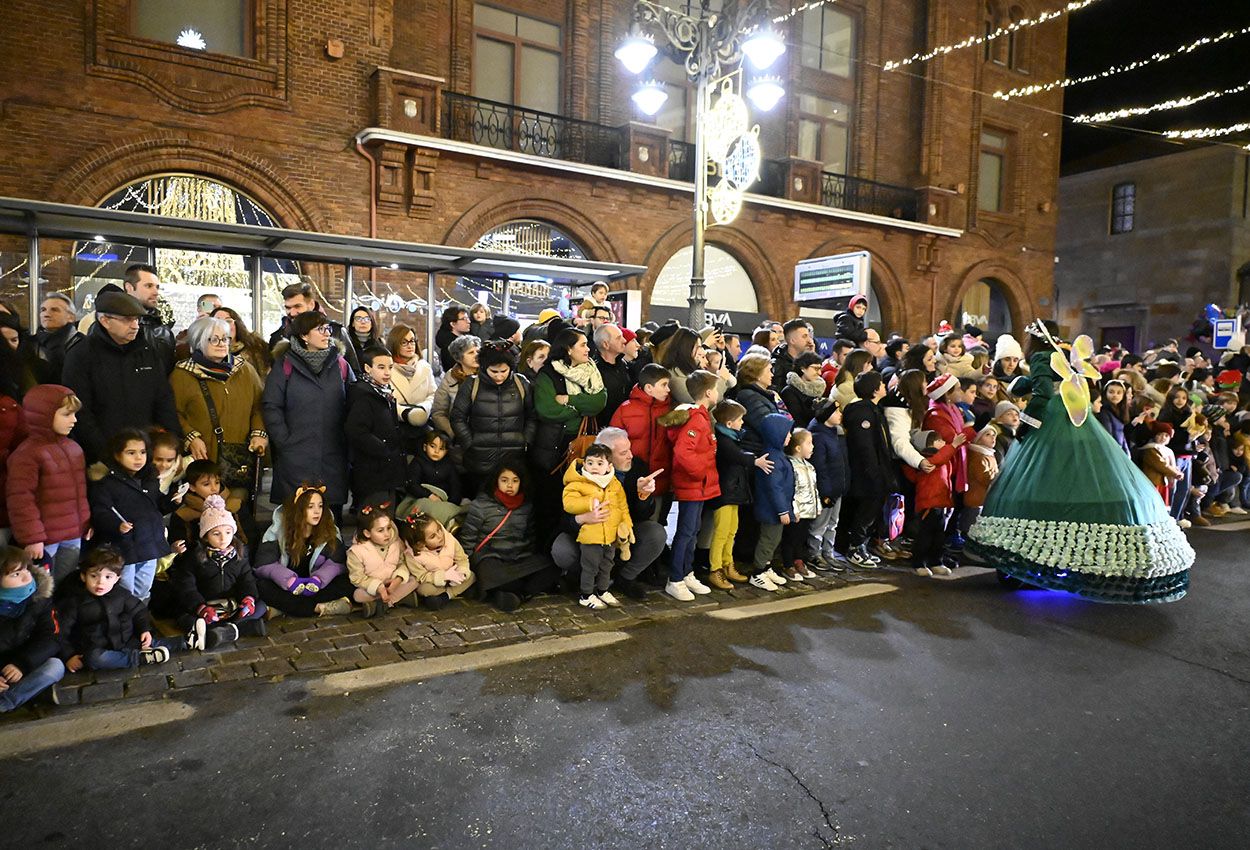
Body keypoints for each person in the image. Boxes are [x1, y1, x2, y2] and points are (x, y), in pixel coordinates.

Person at [966, 325, 1194, 602]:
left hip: (1051, 419)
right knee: (1081, 475)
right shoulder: (1063, 356)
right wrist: (1020, 384)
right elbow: (1047, 384)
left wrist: (1026, 425)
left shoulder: (1040, 358)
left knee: (1044, 477)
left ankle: (1034, 562)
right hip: (1075, 418)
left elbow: (1042, 393)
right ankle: (1078, 559)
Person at [61, 290, 182, 463]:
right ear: (105, 321)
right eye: (127, 320)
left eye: (137, 319)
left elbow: (164, 399)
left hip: (144, 453)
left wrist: (174, 442)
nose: (135, 325)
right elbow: (81, 411)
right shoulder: (81, 355)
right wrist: (105, 452)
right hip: (102, 455)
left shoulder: (147, 352)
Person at [263, 312, 352, 517]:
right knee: (296, 520)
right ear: (304, 335)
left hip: (333, 455)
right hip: (295, 456)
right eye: (320, 329)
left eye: (328, 329)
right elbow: (271, 405)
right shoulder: (284, 365)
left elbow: (354, 403)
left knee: (330, 521)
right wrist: (284, 440)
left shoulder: (341, 365)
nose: (327, 334)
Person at [171, 316, 267, 504]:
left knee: (238, 510)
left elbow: (260, 406)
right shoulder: (182, 375)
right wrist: (190, 436)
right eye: (214, 339)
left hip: (239, 458)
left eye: (225, 338)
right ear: (198, 341)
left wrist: (259, 433)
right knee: (203, 513)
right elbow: (173, 413)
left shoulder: (245, 370)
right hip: (203, 461)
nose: (221, 344)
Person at [4, 385, 90, 582]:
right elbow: (20, 499)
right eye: (67, 414)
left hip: (73, 534)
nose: (74, 420)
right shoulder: (27, 454)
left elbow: (80, 492)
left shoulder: (74, 448)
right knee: (42, 588)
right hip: (44, 540)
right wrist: (32, 537)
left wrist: (86, 522)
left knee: (66, 583)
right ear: (43, 415)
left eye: (74, 414)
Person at [58, 546, 187, 671]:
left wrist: (144, 629)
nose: (100, 582)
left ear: (116, 579)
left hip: (126, 640)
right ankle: (140, 658)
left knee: (149, 642)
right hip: (98, 649)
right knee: (94, 658)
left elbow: (139, 610)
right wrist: (69, 655)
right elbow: (62, 632)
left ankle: (185, 642)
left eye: (108, 577)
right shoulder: (74, 601)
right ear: (83, 576)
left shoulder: (121, 594)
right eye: (94, 576)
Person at [88, 428, 180, 602]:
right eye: (131, 453)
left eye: (143, 452)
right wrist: (116, 525)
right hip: (124, 547)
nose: (138, 458)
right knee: (124, 591)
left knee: (144, 590)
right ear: (116, 455)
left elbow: (157, 506)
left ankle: (139, 624)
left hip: (148, 545)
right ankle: (124, 626)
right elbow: (100, 511)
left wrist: (172, 501)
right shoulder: (106, 483)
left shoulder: (149, 479)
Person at [457, 461, 561, 612]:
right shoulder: (481, 505)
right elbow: (468, 539)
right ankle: (521, 590)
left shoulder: (526, 505)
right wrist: (466, 568)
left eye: (515, 481)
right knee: (490, 574)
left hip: (519, 557)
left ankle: (517, 595)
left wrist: (528, 558)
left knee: (551, 567)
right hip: (490, 557)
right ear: (496, 481)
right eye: (504, 480)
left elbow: (530, 536)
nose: (510, 485)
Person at [170, 495, 267, 651]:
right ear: (206, 536)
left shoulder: (239, 556)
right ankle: (235, 630)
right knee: (183, 617)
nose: (223, 538)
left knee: (261, 606)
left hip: (230, 605)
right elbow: (187, 587)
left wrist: (248, 599)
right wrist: (200, 607)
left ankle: (226, 631)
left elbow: (246, 580)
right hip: (205, 607)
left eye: (228, 532)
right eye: (216, 534)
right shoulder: (194, 557)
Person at [662, 370, 720, 601]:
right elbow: (683, 452)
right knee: (685, 532)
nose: (718, 393)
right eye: (716, 389)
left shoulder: (702, 416)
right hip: (693, 485)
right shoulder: (697, 419)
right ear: (708, 392)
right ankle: (675, 578)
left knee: (693, 530)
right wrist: (700, 473)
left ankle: (686, 572)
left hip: (700, 485)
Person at [253, 483, 353, 617]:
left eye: (320, 506)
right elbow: (264, 564)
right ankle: (319, 608)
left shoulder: (329, 530)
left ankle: (284, 609)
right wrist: (289, 581)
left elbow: (337, 562)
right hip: (288, 586)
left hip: (315, 585)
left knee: (347, 581)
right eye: (310, 507)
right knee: (262, 586)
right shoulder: (278, 531)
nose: (317, 511)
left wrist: (318, 579)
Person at [531, 328, 607, 501]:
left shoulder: (592, 371)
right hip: (556, 445)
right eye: (583, 345)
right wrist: (583, 407)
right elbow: (548, 409)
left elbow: (599, 402)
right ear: (568, 349)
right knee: (553, 497)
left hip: (583, 443)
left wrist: (570, 400)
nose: (588, 349)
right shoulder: (548, 374)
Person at [450, 342, 533, 493]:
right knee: (482, 500)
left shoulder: (521, 384)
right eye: (494, 371)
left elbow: (532, 416)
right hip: (480, 458)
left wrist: (525, 440)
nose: (499, 376)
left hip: (513, 456)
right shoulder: (471, 385)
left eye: (504, 371)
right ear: (483, 368)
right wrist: (469, 442)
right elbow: (457, 417)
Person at [561, 443, 633, 609]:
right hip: (591, 536)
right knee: (590, 566)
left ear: (609, 466)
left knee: (607, 564)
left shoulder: (615, 484)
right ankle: (586, 595)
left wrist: (626, 525)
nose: (594, 467)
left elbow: (623, 507)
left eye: (599, 463)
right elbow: (569, 503)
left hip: (611, 535)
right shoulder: (577, 482)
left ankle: (602, 590)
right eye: (590, 462)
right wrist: (587, 503)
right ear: (584, 463)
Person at [709, 400, 769, 589]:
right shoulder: (724, 441)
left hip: (734, 491)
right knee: (721, 532)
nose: (743, 422)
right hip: (725, 493)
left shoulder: (733, 438)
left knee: (731, 530)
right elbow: (737, 456)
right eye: (740, 419)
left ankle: (728, 563)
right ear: (729, 423)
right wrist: (755, 461)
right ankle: (715, 569)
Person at [0, 547, 65, 712]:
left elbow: (52, 637)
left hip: (23, 666)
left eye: (25, 569)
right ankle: (33, 694)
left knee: (55, 666)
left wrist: (22, 664)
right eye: (15, 574)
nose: (26, 577)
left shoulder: (40, 599)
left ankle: (6, 702)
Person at [345, 346, 411, 506]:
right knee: (375, 518)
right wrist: (384, 449)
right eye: (381, 367)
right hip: (372, 472)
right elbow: (356, 431)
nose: (387, 372)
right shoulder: (364, 395)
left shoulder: (384, 393)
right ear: (368, 368)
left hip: (386, 470)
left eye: (390, 367)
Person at [842, 372, 895, 568]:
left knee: (872, 510)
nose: (884, 387)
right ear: (874, 389)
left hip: (877, 470)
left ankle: (861, 545)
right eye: (881, 384)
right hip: (867, 473)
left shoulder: (874, 410)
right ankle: (855, 547)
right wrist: (874, 472)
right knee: (865, 510)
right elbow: (864, 447)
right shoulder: (861, 413)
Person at [608, 363, 673, 499]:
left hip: (662, 480)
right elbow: (612, 446)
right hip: (631, 481)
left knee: (659, 519)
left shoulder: (671, 411)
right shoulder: (625, 410)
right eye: (664, 385)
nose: (668, 389)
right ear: (649, 388)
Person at [904, 430, 963, 576]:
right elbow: (939, 459)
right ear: (929, 444)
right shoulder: (927, 460)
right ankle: (919, 563)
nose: (944, 443)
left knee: (939, 537)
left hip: (941, 504)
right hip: (928, 505)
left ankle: (936, 561)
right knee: (925, 536)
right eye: (939, 440)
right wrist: (953, 445)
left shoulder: (943, 458)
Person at [268, 283, 360, 375]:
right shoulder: (278, 338)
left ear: (311, 304)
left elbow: (354, 373)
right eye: (288, 308)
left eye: (297, 306)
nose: (292, 313)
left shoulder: (336, 332)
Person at [749, 413, 796, 590]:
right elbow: (774, 488)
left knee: (774, 540)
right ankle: (758, 571)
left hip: (775, 510)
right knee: (768, 541)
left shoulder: (778, 455)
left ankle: (766, 566)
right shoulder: (773, 458)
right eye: (786, 433)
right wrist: (783, 511)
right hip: (771, 511)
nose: (790, 436)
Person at [347, 502, 418, 617]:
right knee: (358, 595)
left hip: (394, 584)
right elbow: (357, 578)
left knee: (414, 579)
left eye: (388, 528)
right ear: (367, 533)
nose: (387, 534)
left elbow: (402, 563)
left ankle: (382, 604)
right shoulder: (356, 552)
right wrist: (378, 587)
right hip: (373, 588)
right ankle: (398, 599)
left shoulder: (395, 543)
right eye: (380, 531)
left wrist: (398, 579)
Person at [808, 400, 850, 570]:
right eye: (836, 411)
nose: (840, 414)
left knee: (833, 523)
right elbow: (820, 468)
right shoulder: (819, 437)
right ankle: (814, 554)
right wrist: (825, 492)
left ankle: (828, 552)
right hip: (827, 490)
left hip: (837, 488)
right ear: (826, 415)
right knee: (819, 524)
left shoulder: (835, 434)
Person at [402, 512, 474, 609]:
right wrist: (443, 576)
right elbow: (421, 576)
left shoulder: (449, 539)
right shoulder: (413, 556)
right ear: (421, 544)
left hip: (454, 575)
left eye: (439, 530)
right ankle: (449, 594)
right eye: (433, 536)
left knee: (471, 576)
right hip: (434, 581)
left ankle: (446, 596)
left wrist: (462, 571)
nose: (440, 536)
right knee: (424, 589)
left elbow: (462, 558)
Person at [731, 352, 792, 453]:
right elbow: (769, 428)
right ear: (757, 374)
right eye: (768, 371)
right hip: (760, 453)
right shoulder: (748, 396)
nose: (772, 375)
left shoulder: (764, 395)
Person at [121, 264, 176, 374]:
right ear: (129, 288)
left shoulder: (163, 330)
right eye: (149, 286)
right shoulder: (113, 325)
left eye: (157, 287)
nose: (156, 292)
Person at [782, 428, 820, 582]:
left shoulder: (810, 467)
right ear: (798, 448)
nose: (813, 447)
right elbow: (791, 491)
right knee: (791, 538)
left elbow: (814, 488)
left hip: (808, 511)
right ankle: (788, 564)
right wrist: (794, 510)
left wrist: (817, 507)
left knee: (801, 538)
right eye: (809, 443)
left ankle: (799, 560)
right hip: (797, 512)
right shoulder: (791, 466)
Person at [431, 334, 481, 439]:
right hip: (457, 438)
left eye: (478, 352)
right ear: (459, 358)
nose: (476, 355)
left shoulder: (487, 375)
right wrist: (454, 432)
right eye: (471, 352)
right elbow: (438, 412)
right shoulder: (450, 377)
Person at [386, 323, 435, 423]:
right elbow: (385, 400)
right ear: (395, 343)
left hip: (423, 421)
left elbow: (433, 395)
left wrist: (423, 409)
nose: (410, 346)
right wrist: (406, 413)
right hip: (397, 423)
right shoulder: (387, 369)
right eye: (404, 342)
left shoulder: (425, 367)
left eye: (412, 341)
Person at [405, 430, 463, 510]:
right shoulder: (418, 462)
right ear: (425, 447)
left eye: (441, 448)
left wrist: (451, 503)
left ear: (446, 451)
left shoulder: (449, 464)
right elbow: (411, 484)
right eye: (432, 446)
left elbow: (456, 487)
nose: (436, 451)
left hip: (443, 501)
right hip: (420, 499)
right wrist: (429, 495)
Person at [211, 306, 272, 380]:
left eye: (228, 321)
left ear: (237, 324)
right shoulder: (208, 354)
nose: (225, 326)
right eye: (218, 322)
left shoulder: (256, 347)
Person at [963, 425, 999, 539]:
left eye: (994, 435)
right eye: (987, 435)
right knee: (971, 527)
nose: (992, 438)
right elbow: (984, 478)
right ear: (977, 438)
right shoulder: (978, 456)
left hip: (984, 498)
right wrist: (998, 476)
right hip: (976, 498)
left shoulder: (989, 454)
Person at [34, 293, 81, 382]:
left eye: (54, 310)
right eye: (43, 310)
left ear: (71, 317)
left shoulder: (83, 344)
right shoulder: (30, 344)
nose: (46, 314)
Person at [592, 323, 633, 423]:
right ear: (605, 344)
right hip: (604, 428)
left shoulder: (624, 365)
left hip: (624, 424)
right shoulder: (593, 370)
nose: (624, 341)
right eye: (619, 338)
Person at [781, 351, 827, 428]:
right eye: (816, 368)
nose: (819, 373)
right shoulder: (789, 392)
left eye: (820, 369)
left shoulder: (819, 388)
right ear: (803, 368)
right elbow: (797, 421)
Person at [770, 319, 815, 393]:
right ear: (792, 341)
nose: (810, 341)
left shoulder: (806, 361)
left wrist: (812, 358)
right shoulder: (778, 366)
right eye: (804, 336)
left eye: (809, 336)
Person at [434, 305, 472, 372]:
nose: (468, 321)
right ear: (453, 324)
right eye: (464, 319)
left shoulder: (468, 340)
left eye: (468, 318)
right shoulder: (449, 346)